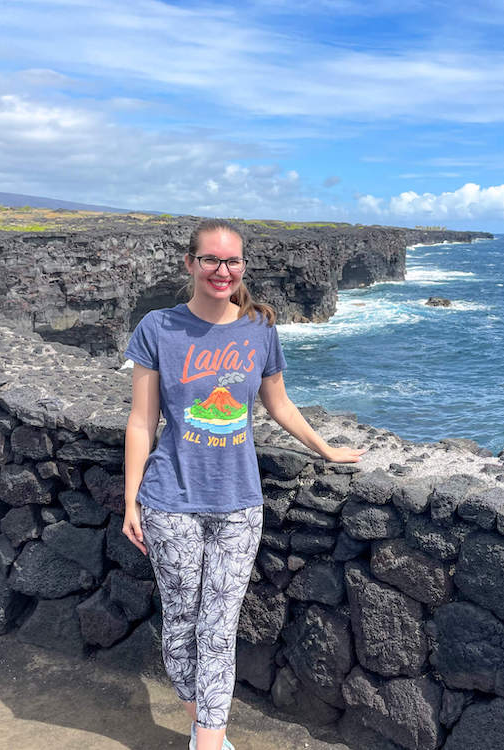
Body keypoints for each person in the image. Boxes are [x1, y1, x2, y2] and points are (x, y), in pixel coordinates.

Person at [122, 218, 366, 750]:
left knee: (217, 626)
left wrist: (324, 448)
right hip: (171, 499)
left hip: (239, 503)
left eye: (232, 261)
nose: (221, 270)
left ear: (243, 268)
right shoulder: (158, 328)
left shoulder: (260, 327)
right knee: (182, 623)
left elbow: (276, 402)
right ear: (190, 264)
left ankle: (208, 740)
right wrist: (130, 500)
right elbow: (141, 422)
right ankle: (203, 725)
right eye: (210, 259)